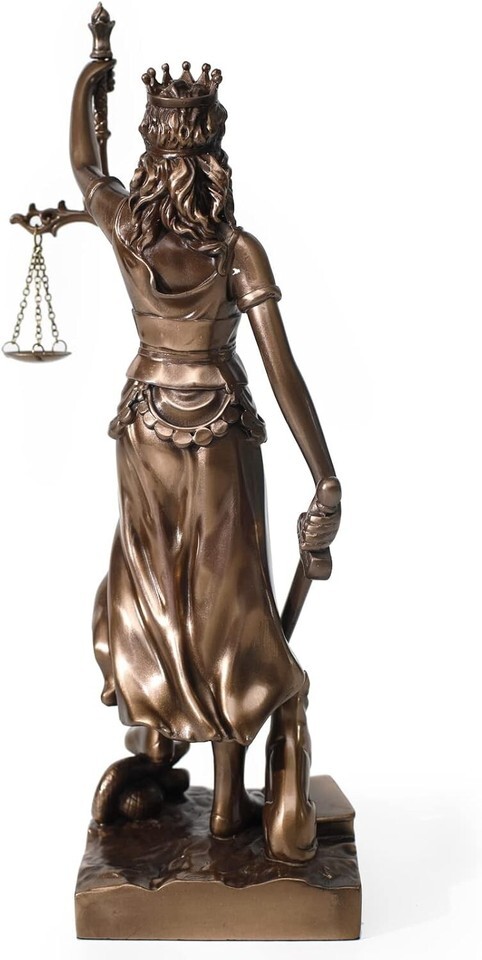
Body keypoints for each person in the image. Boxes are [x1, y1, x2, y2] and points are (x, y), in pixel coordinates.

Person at [70, 57, 341, 863]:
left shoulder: (126, 228)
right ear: (216, 158)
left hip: (145, 432)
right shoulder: (238, 250)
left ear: (150, 154)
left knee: (157, 600)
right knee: (228, 609)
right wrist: (324, 471)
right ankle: (225, 803)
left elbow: (83, 164)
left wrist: (87, 82)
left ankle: (162, 744)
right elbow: (283, 374)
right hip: (218, 437)